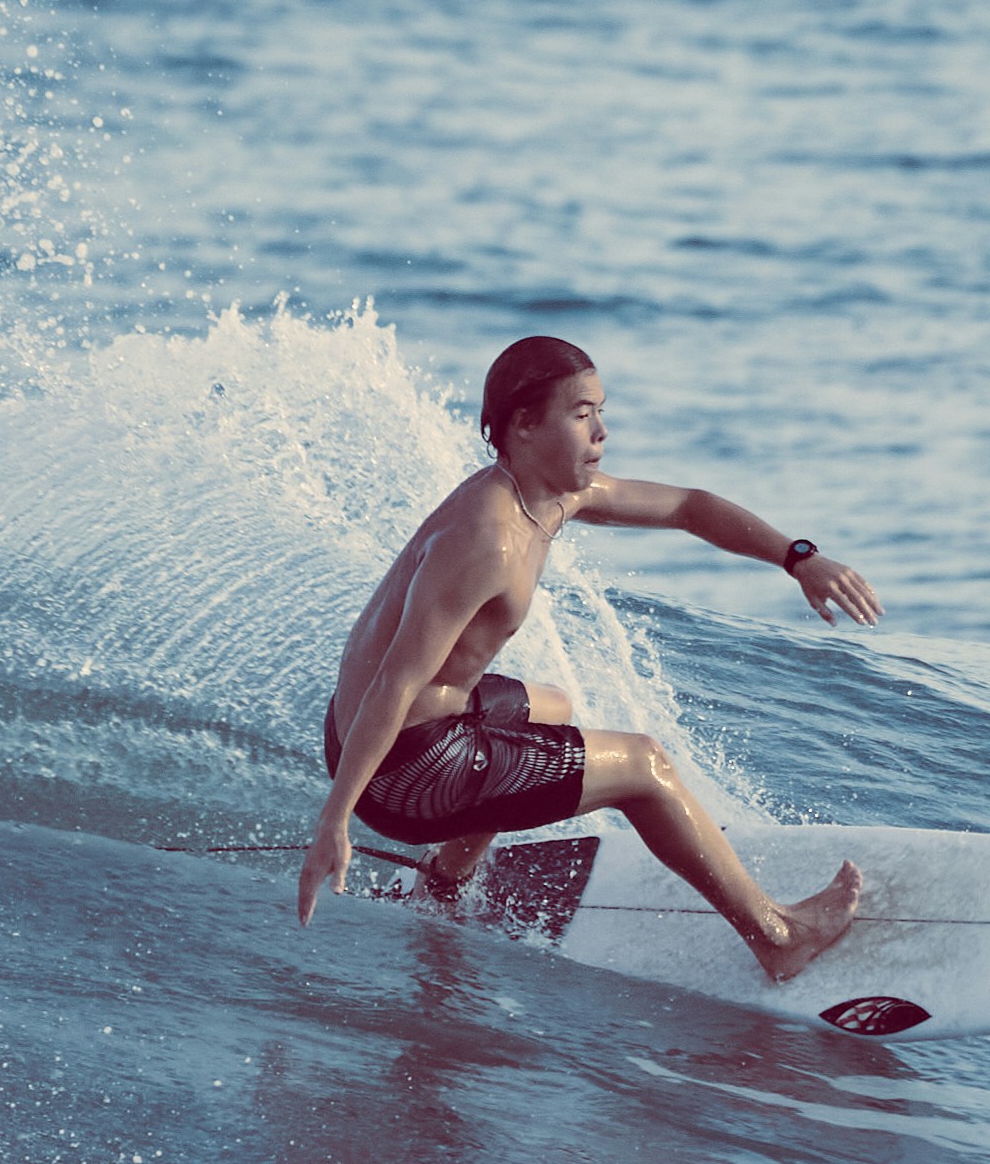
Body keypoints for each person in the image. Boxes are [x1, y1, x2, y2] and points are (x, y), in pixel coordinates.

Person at [298, 336, 881, 980]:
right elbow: (396, 682)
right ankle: (777, 937)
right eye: (581, 414)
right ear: (524, 424)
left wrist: (798, 557)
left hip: (387, 729)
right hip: (402, 772)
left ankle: (444, 881)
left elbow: (688, 507)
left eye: (601, 411)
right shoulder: (486, 540)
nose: (601, 431)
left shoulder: (540, 493)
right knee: (643, 767)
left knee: (553, 708)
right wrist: (336, 822)